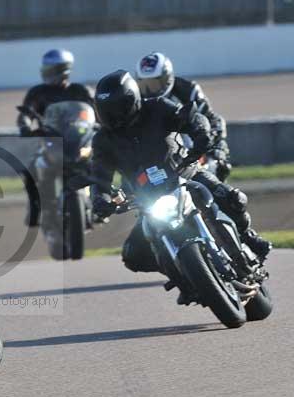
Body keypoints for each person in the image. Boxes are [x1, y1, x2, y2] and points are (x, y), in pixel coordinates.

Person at [88, 70, 271, 282]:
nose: (113, 116)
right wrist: (100, 199)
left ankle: (248, 237)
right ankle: (184, 274)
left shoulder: (156, 107)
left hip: (186, 173)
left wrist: (201, 135)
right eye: (106, 111)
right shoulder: (103, 140)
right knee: (134, 255)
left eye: (117, 109)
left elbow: (191, 117)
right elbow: (99, 175)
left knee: (232, 198)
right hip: (148, 199)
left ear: (132, 100)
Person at [17, 49, 95, 229]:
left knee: (98, 165)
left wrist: (102, 123)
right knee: (31, 171)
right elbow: (26, 112)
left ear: (64, 69)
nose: (47, 73)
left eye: (51, 69)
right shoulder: (38, 93)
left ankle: (99, 203)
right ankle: (35, 210)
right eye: (46, 69)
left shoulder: (80, 91)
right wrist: (25, 125)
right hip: (50, 141)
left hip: (78, 141)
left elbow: (96, 110)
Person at [135, 52, 232, 181]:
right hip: (156, 158)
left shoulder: (187, 90)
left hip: (193, 152)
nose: (150, 90)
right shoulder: (135, 100)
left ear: (167, 78)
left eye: (154, 84)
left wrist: (217, 148)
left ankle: (221, 198)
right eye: (144, 85)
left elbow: (213, 120)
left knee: (218, 167)